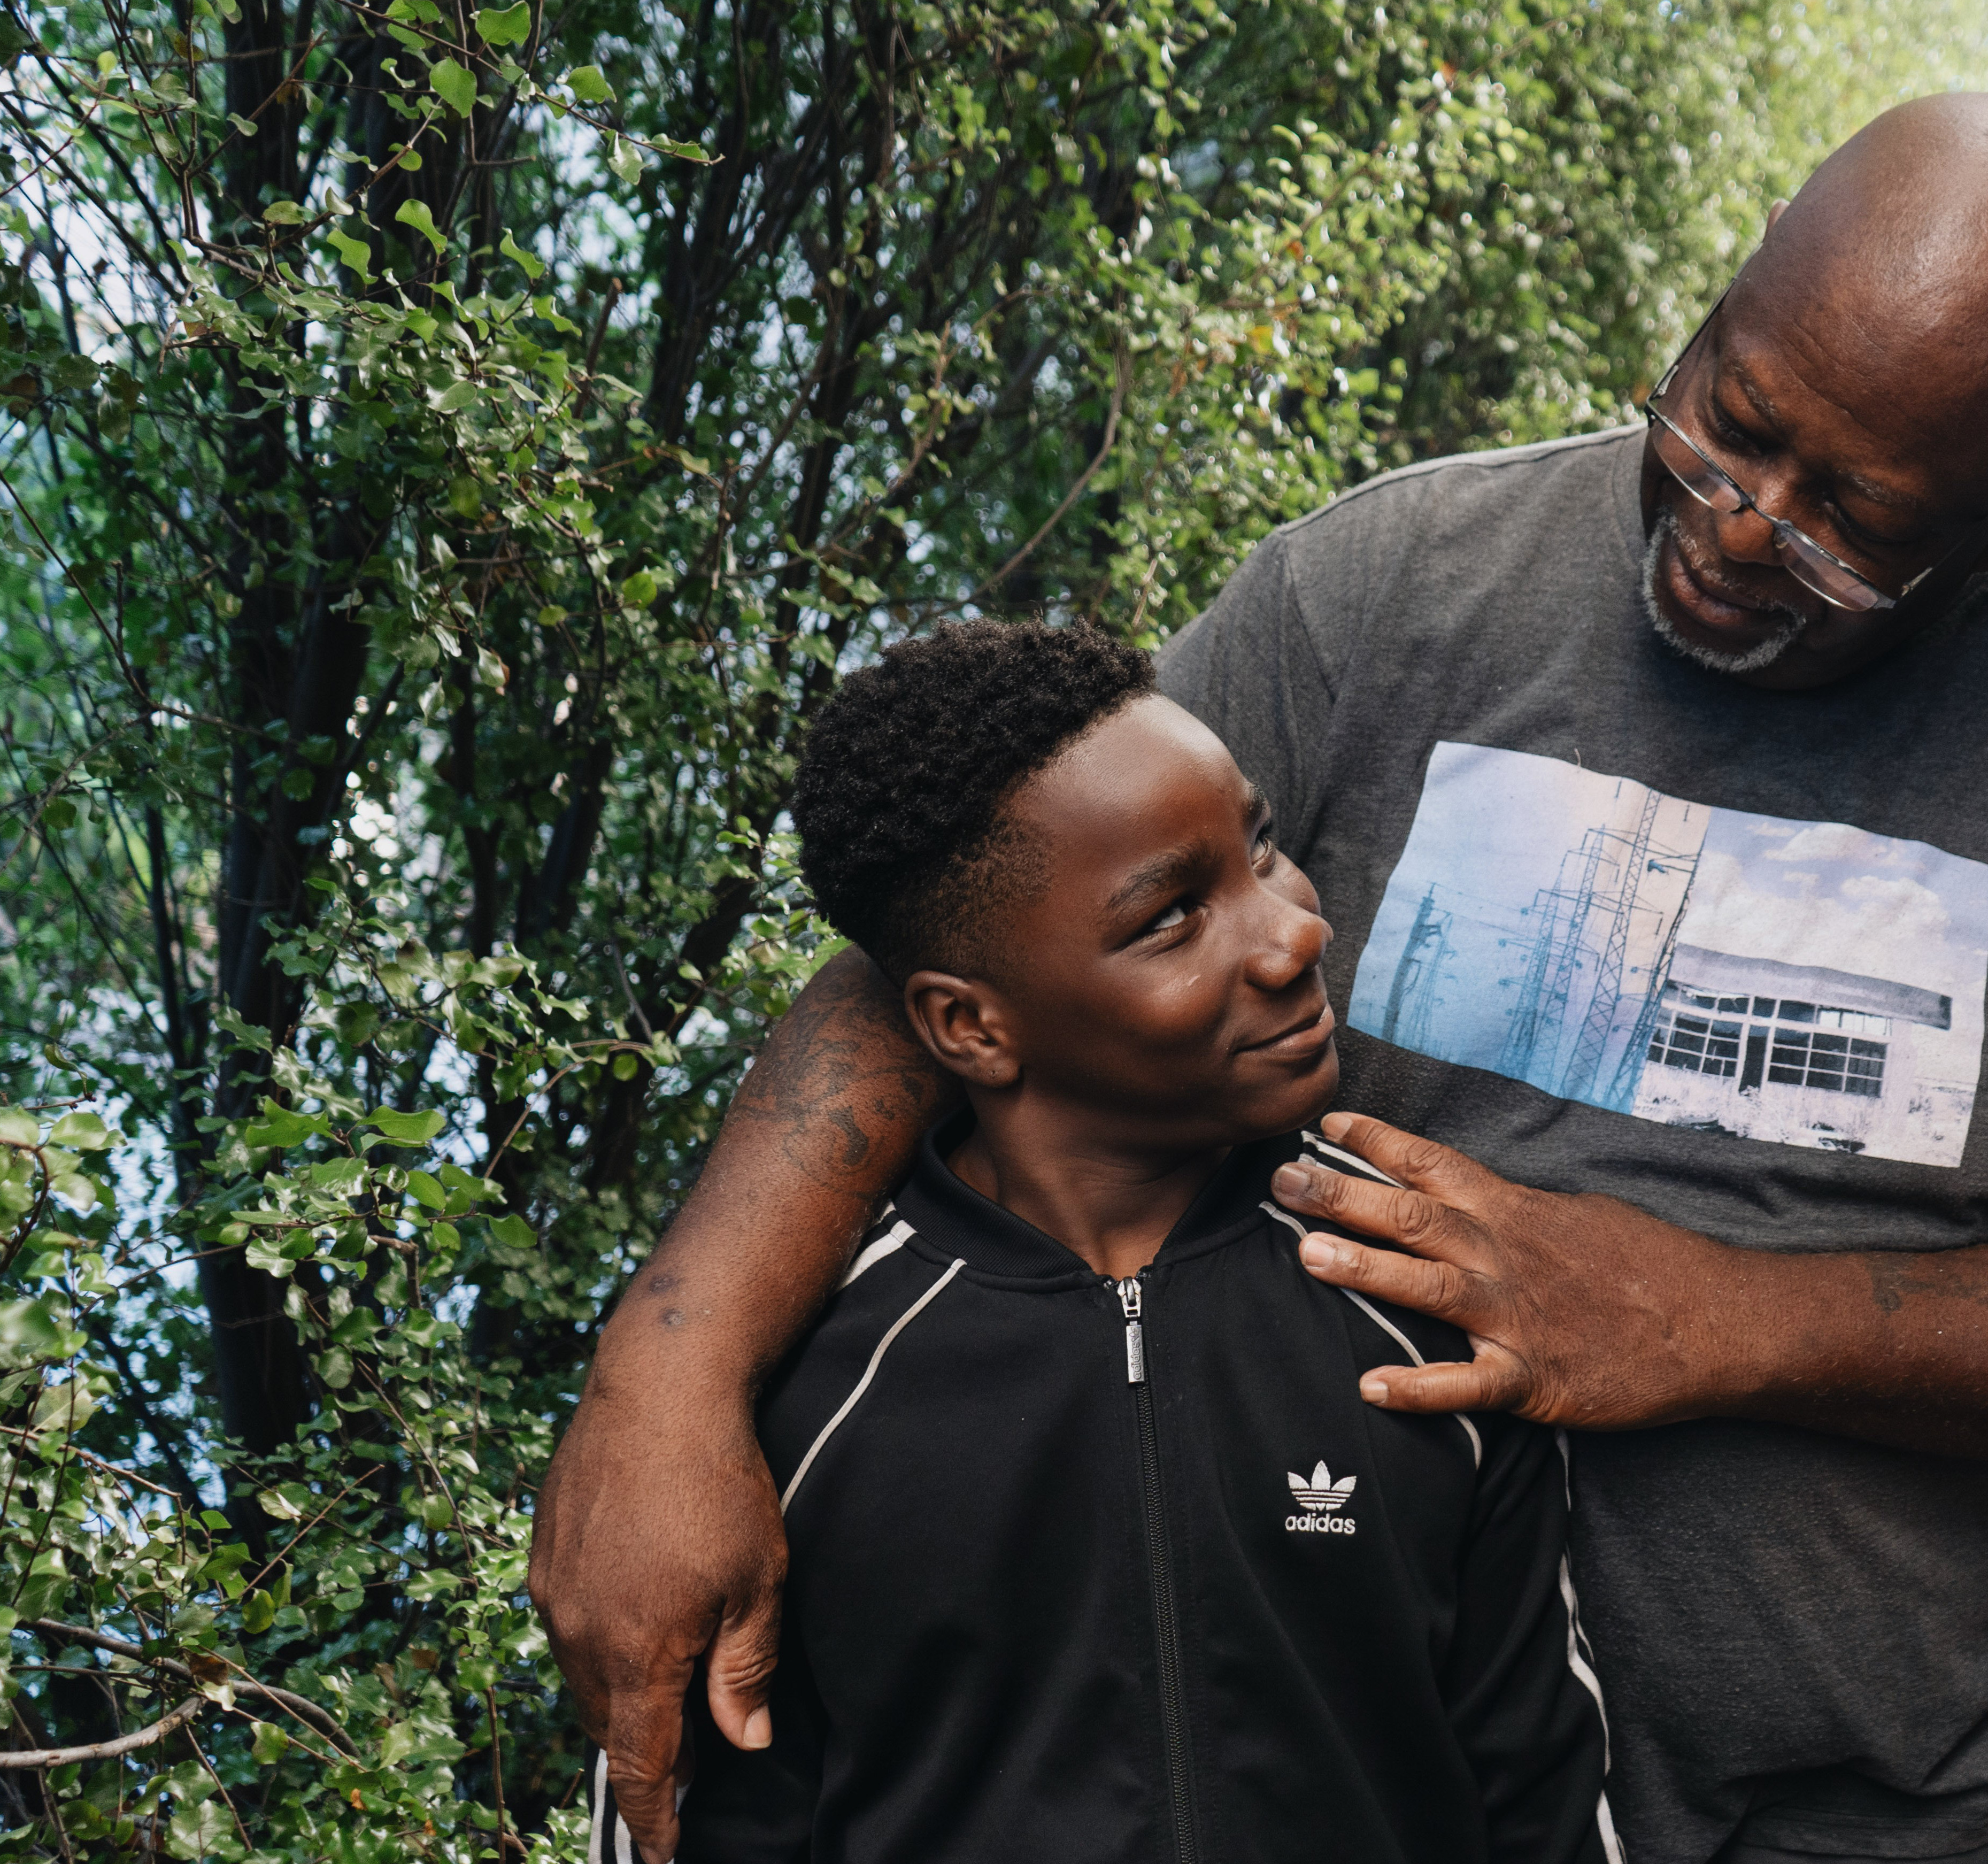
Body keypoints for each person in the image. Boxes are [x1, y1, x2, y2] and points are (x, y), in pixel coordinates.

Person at [530, 93, 1988, 1864]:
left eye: (1850, 520)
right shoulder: (1394, 583)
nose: (1736, 527)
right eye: (1728, 419)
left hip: (1850, 1803)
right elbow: (969, 940)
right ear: (1713, 309)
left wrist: (1721, 1320)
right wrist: (666, 1379)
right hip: (1354, 1765)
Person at [588, 618, 1617, 1863]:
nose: (1293, 934)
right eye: (1171, 918)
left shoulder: (1417, 1297)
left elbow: (1539, 1800)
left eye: (1261, 847)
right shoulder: (802, 1396)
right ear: (969, 1025)